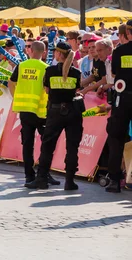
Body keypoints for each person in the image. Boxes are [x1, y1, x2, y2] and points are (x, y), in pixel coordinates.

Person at [25, 42, 83, 190]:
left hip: (55, 111)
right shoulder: (76, 72)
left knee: (48, 146)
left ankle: (42, 179)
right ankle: (69, 181)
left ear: (59, 54)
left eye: (55, 52)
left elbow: (47, 90)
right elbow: (77, 89)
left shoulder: (50, 71)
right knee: (72, 147)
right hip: (73, 112)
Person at [9, 41, 59, 186]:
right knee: (46, 144)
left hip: (25, 110)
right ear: (44, 53)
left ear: (30, 51)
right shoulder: (46, 68)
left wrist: (15, 97)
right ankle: (44, 173)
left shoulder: (22, 66)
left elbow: (11, 82)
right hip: (41, 111)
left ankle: (29, 176)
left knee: (27, 144)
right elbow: (48, 89)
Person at [104, 21, 132, 193]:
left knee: (116, 138)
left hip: (123, 99)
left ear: (128, 33)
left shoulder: (120, 51)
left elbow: (113, 73)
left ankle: (114, 180)